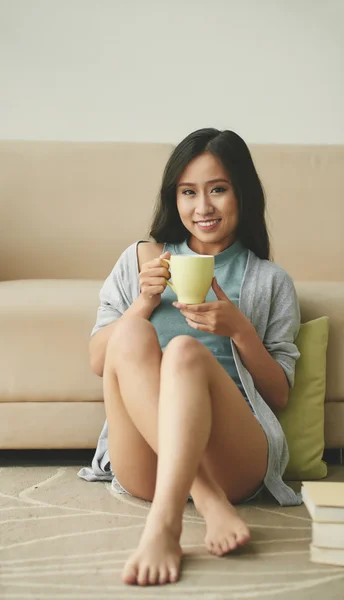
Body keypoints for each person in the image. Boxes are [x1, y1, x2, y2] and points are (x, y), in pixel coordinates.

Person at [78, 127, 302, 587]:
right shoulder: (141, 260)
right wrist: (141, 304)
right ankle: (207, 499)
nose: (203, 208)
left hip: (233, 457)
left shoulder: (270, 280)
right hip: (147, 460)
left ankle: (163, 525)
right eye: (188, 192)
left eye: (218, 189)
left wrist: (239, 329)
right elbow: (101, 361)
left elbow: (278, 394)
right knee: (131, 333)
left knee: (183, 351)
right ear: (173, 198)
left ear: (242, 193)